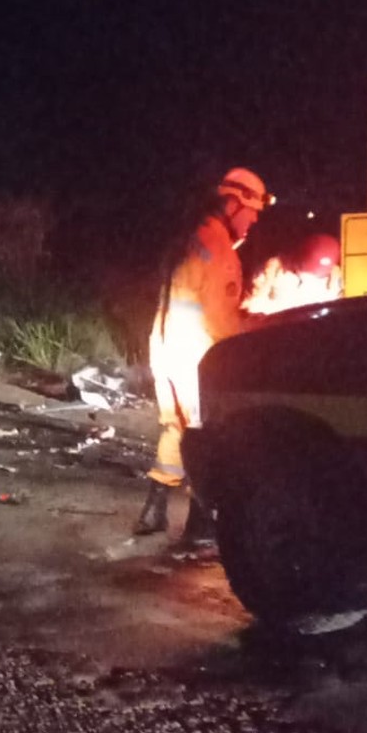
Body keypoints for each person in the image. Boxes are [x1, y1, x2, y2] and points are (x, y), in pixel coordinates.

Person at [136, 167, 271, 547]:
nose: (253, 221)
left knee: (176, 428)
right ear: (232, 204)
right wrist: (253, 336)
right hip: (197, 356)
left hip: (165, 348)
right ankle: (199, 523)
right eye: (251, 212)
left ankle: (154, 509)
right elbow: (222, 321)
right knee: (208, 434)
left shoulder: (189, 237)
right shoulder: (220, 250)